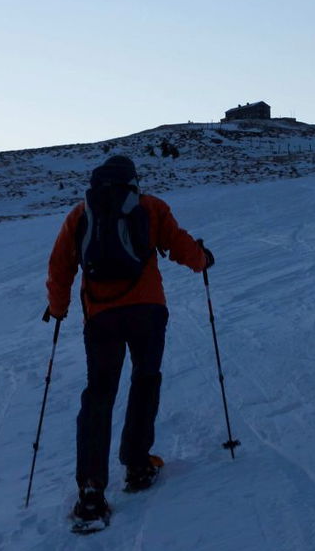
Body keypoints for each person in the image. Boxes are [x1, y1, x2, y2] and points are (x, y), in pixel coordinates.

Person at [44, 154, 213, 525]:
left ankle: (91, 489)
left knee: (99, 393)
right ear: (133, 180)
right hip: (147, 310)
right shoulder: (150, 207)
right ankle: (137, 464)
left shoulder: (80, 214)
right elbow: (179, 245)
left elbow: (59, 265)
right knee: (145, 380)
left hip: (100, 316)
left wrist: (58, 308)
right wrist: (202, 260)